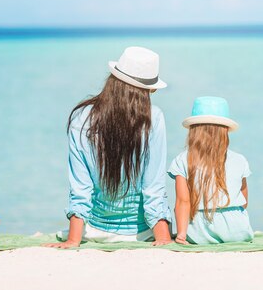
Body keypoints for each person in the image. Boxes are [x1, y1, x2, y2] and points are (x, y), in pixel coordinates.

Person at [44, 46, 172, 248]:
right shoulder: (153, 118)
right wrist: (164, 238)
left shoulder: (81, 118)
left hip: (94, 232)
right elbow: (153, 187)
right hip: (143, 233)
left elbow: (81, 189)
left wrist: (73, 240)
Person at [168, 96, 253, 244]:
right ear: (225, 131)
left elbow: (183, 201)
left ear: (193, 131)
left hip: (200, 232)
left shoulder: (183, 160)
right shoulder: (240, 160)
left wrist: (181, 233)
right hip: (237, 231)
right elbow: (244, 201)